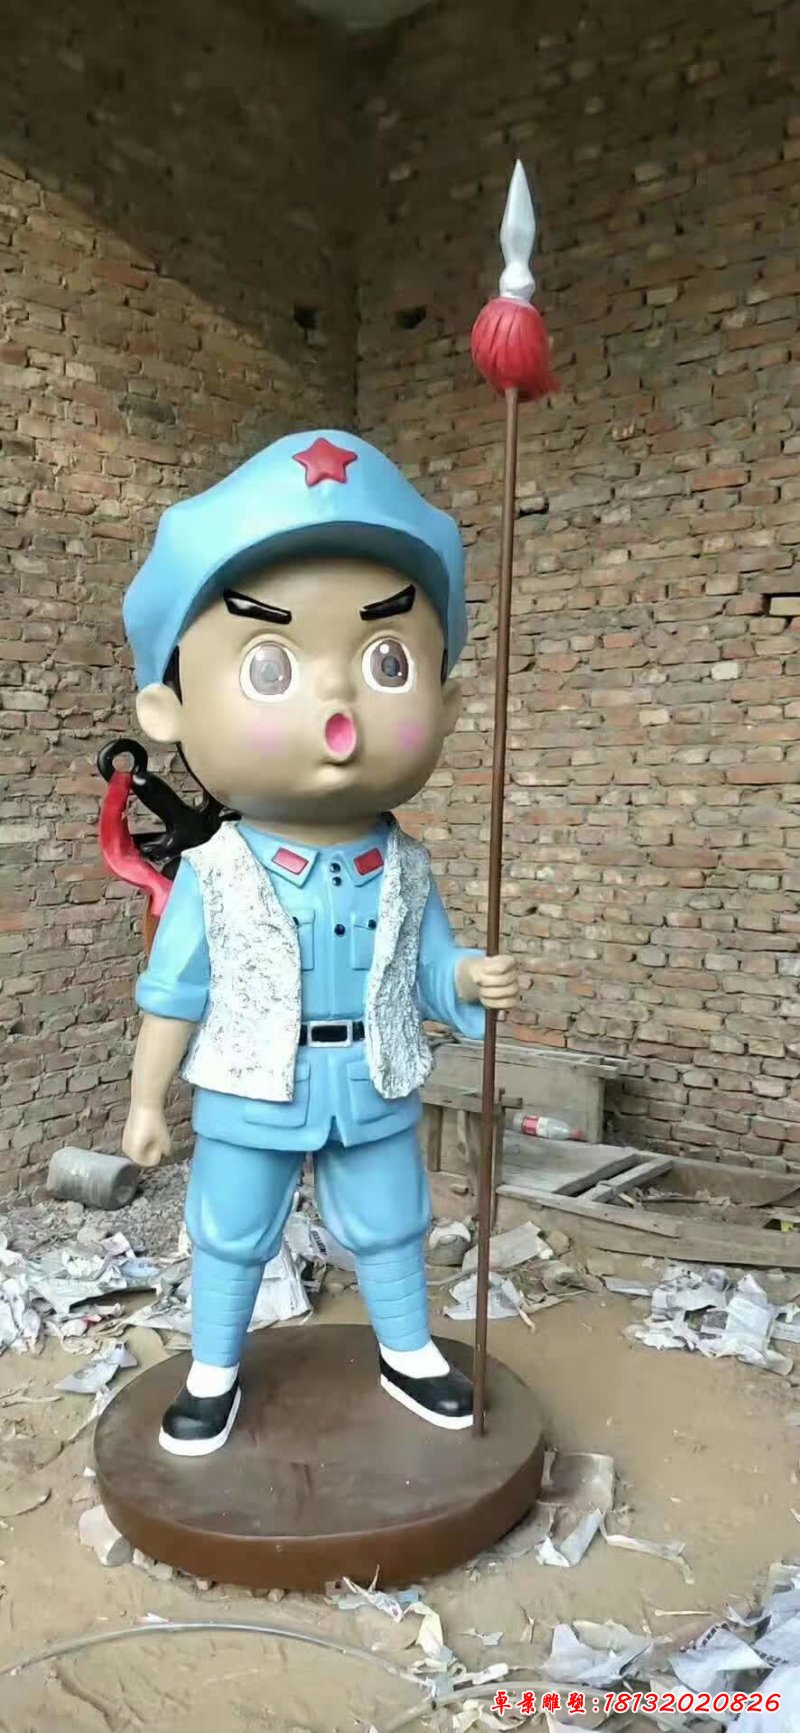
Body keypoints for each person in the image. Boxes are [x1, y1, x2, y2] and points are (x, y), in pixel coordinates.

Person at [121, 430, 520, 1456]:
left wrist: (464, 975)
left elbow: (424, 963)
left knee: (391, 1218)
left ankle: (408, 1350)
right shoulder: (217, 869)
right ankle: (214, 1370)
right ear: (168, 711)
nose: (337, 706)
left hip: (372, 1077)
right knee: (230, 1226)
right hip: (253, 1082)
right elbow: (174, 992)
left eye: (387, 661)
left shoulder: (407, 864)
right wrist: (145, 1101)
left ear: (446, 701)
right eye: (270, 665)